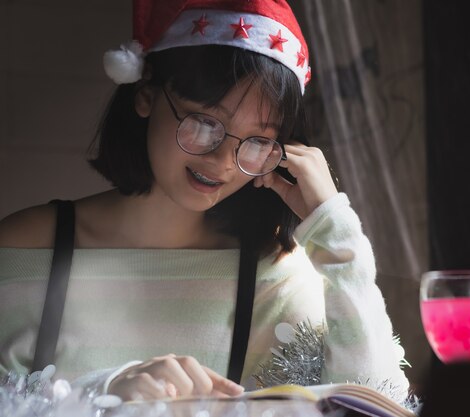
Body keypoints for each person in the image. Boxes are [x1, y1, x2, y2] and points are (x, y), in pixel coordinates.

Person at [0, 0, 409, 402]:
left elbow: (373, 404)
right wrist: (102, 394)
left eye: (256, 141)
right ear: (146, 95)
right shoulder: (22, 252)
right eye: (204, 122)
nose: (223, 161)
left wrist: (336, 229)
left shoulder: (276, 277)